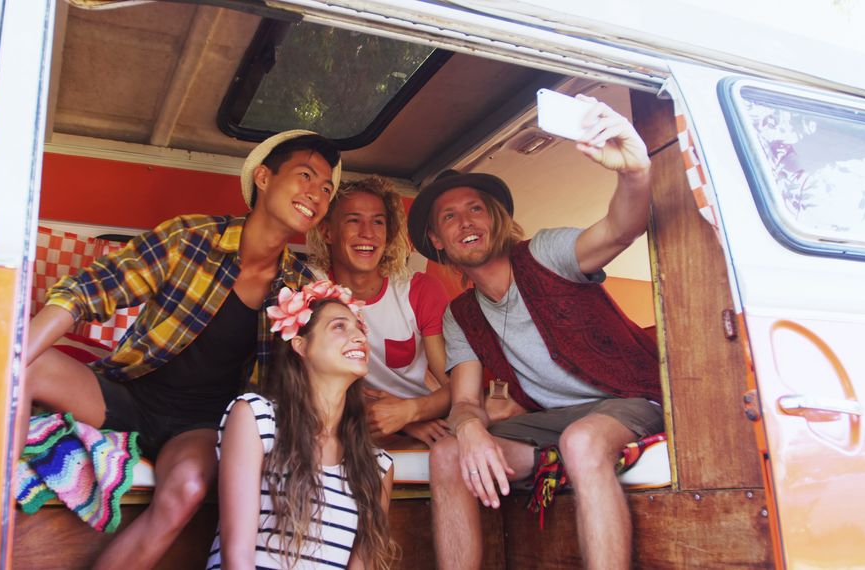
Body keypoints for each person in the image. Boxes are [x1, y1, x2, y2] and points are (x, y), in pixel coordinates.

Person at [20, 130, 341, 569]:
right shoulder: (191, 236)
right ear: (264, 178)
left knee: (188, 489)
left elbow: (317, 373)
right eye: (306, 176)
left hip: (200, 426)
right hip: (127, 396)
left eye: (326, 189)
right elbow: (89, 290)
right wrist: (14, 359)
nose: (317, 194)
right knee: (28, 368)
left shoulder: (301, 287)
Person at [406, 95, 662, 570]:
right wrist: (470, 430)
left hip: (627, 398)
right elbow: (462, 402)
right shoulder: (460, 315)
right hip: (552, 422)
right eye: (449, 217)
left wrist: (635, 171)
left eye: (476, 209)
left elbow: (618, 230)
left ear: (494, 219)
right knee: (446, 455)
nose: (466, 221)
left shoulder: (544, 254)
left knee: (582, 442)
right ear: (439, 242)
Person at [208, 280, 396, 569]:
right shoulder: (256, 418)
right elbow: (237, 558)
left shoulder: (377, 466)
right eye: (339, 327)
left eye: (359, 328)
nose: (359, 336)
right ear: (301, 345)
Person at [306, 175, 452, 446]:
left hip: (422, 417)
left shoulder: (419, 290)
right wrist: (400, 423)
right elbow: (304, 381)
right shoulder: (309, 287)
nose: (368, 233)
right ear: (328, 232)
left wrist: (410, 413)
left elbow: (457, 388)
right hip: (341, 422)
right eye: (353, 220)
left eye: (378, 222)